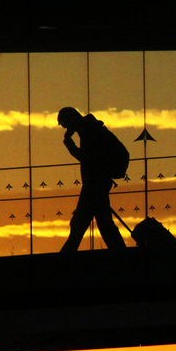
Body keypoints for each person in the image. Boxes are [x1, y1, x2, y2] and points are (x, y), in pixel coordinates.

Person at [57, 107, 127, 252]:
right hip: (97, 184)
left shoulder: (89, 131)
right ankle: (121, 252)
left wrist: (68, 142)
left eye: (65, 125)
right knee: (101, 223)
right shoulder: (90, 129)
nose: (66, 128)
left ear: (71, 121)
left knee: (81, 224)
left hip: (94, 185)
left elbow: (85, 158)